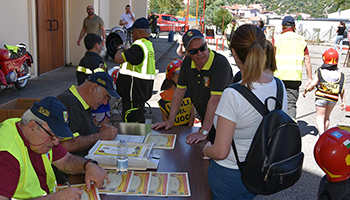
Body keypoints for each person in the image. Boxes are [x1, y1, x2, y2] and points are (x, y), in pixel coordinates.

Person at [202, 24, 288, 200]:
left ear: (234, 53)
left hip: (229, 175)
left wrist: (206, 149)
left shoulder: (233, 94)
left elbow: (220, 152)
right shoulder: (279, 86)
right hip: (258, 172)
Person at [0, 96, 109, 200]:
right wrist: (54, 198)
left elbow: (66, 160)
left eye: (59, 137)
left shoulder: (34, 136)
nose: (56, 142)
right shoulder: (7, 155)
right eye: (53, 135)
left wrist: (88, 165)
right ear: (31, 127)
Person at [152, 29, 234, 144]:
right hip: (207, 121)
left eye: (202, 48)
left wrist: (204, 131)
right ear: (187, 52)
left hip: (225, 123)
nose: (200, 53)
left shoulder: (220, 64)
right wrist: (171, 121)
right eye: (194, 51)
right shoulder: (187, 63)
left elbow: (215, 101)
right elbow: (179, 92)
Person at [57, 72, 119, 157]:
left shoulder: (85, 103)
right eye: (105, 97)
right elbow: (68, 144)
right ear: (93, 88)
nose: (105, 103)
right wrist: (101, 135)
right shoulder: (70, 103)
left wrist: (99, 129)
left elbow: (82, 131)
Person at [114, 17, 156, 123]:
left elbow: (118, 58)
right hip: (140, 92)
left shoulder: (138, 46)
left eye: (133, 32)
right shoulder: (148, 45)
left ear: (140, 32)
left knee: (131, 126)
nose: (132, 34)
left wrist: (120, 48)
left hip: (133, 94)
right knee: (138, 122)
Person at [274, 15, 312, 119]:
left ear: (282, 26)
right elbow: (307, 60)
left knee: (276, 104)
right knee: (291, 105)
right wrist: (309, 78)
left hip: (278, 78)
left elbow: (270, 58)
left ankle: (276, 130)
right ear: (294, 26)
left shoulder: (277, 39)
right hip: (294, 78)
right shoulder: (301, 40)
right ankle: (289, 130)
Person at [302, 48, 346, 134]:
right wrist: (343, 101)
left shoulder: (320, 71)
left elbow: (313, 84)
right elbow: (342, 89)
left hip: (321, 97)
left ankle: (322, 135)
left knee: (320, 116)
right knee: (327, 117)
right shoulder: (340, 74)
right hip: (333, 99)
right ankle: (325, 133)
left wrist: (306, 90)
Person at [76, 33, 111, 126]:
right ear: (96, 45)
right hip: (99, 101)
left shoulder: (82, 61)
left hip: (86, 99)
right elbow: (103, 80)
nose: (101, 47)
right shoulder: (98, 61)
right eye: (100, 44)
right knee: (102, 125)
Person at [158, 59, 195, 126]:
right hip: (172, 131)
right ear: (172, 77)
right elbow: (165, 118)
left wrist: (189, 128)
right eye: (180, 75)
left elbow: (192, 112)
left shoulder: (189, 92)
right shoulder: (165, 98)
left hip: (188, 131)